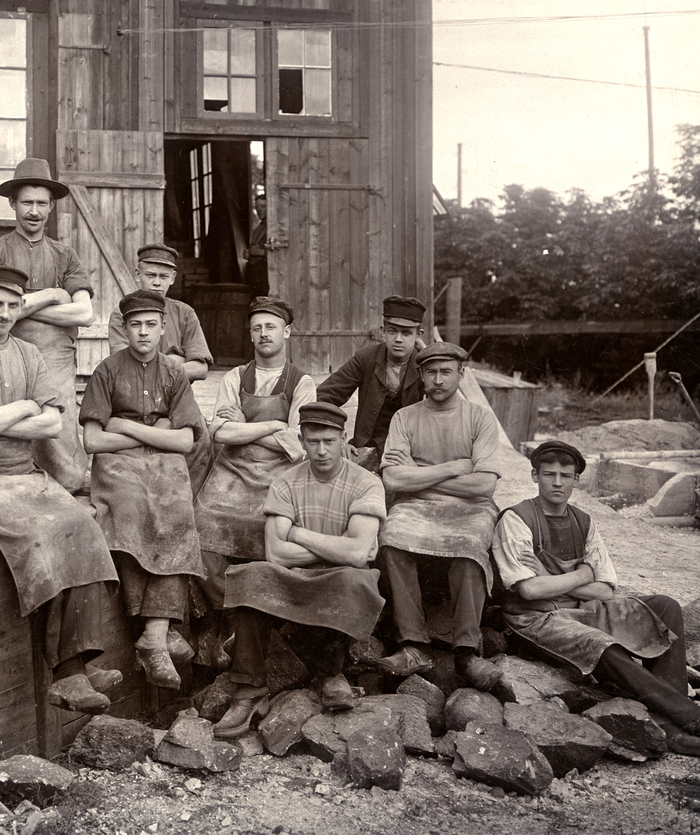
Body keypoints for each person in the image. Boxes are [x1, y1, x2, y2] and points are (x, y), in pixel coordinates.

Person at [0, 266, 120, 713]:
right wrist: (23, 406)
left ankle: (80, 663)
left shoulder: (30, 355)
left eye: (14, 305)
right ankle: (65, 673)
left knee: (82, 526)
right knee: (38, 534)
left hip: (25, 473)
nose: (5, 313)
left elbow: (52, 424)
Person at [493, 440, 700, 755]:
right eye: (549, 474)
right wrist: (582, 575)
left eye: (566, 475)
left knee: (665, 606)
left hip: (583, 609)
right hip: (536, 618)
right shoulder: (517, 519)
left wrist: (549, 577)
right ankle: (684, 720)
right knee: (599, 643)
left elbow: (605, 590)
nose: (558, 482)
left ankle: (668, 717)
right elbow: (529, 591)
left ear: (576, 480)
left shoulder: (583, 522)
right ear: (535, 476)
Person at [214, 402, 387, 736]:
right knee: (252, 575)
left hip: (339, 577)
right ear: (301, 441)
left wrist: (296, 533)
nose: (321, 451)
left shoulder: (366, 483)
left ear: (343, 439)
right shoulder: (285, 483)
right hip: (294, 576)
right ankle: (250, 688)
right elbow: (276, 553)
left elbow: (356, 555)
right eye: (313, 441)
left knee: (354, 579)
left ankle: (331, 673)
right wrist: (339, 545)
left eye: (329, 441)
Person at [81, 290, 207, 690]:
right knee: (130, 507)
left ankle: (154, 633)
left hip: (163, 464)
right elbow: (92, 441)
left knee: (177, 509)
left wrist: (124, 426)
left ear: (163, 327)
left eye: (151, 324)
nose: (143, 332)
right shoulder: (107, 370)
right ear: (125, 328)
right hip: (117, 466)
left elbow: (185, 440)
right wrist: (155, 431)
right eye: (135, 324)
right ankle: (162, 631)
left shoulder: (174, 373)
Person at [374, 341, 512, 697]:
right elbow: (393, 480)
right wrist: (454, 468)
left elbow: (484, 486)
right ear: (420, 375)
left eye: (446, 372)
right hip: (414, 508)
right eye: (431, 372)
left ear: (461, 374)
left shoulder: (479, 418)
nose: (438, 380)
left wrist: (420, 476)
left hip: (470, 510)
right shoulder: (405, 418)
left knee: (470, 546)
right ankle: (413, 645)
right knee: (391, 538)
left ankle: (466, 653)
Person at [0, 158, 93, 493]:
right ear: (13, 203)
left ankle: (63, 485)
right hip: (5, 354)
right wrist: (54, 294)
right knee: (8, 428)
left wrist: (20, 306)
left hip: (56, 358)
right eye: (27, 202)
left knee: (65, 457)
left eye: (42, 203)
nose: (34, 211)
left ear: (52, 206)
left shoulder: (65, 255)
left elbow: (84, 314)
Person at [194, 296, 316, 608]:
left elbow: (297, 444)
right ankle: (227, 609)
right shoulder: (235, 377)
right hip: (231, 472)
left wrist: (244, 426)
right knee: (201, 523)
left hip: (280, 475)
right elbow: (220, 433)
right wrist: (274, 426)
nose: (264, 333)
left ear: (286, 332)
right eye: (257, 328)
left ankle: (262, 611)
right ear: (250, 335)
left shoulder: (302, 382)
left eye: (271, 327)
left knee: (275, 532)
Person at [107, 243, 215, 493]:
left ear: (173, 278)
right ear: (138, 274)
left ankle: (190, 500)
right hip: (133, 404)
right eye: (150, 275)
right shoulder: (122, 314)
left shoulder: (184, 313)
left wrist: (160, 366)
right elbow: (126, 368)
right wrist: (176, 362)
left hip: (177, 402)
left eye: (163, 276)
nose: (157, 282)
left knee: (201, 439)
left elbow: (200, 369)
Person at [316, 295, 426, 472]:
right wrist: (339, 440)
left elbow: (445, 404)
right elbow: (324, 397)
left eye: (406, 333)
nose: (398, 339)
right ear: (383, 331)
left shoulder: (425, 366)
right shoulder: (366, 358)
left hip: (409, 451)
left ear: (418, 335)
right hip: (365, 448)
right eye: (392, 331)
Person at [244, 193, 270, 297]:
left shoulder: (273, 227)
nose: (259, 210)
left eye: (263, 206)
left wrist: (260, 252)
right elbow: (252, 248)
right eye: (257, 207)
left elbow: (281, 252)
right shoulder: (258, 229)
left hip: (266, 273)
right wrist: (248, 253)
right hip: (255, 274)